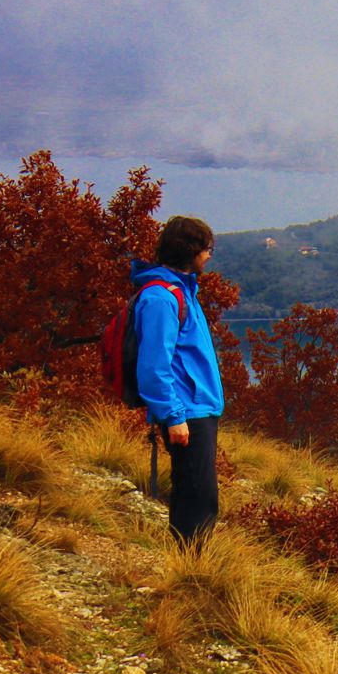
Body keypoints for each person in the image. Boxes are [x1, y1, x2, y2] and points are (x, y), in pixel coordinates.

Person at [133, 216, 224, 546]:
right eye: (207, 248)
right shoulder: (161, 298)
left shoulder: (183, 291)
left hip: (197, 409)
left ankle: (192, 564)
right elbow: (154, 367)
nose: (210, 255)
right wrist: (173, 417)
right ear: (191, 250)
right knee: (197, 495)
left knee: (199, 492)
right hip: (186, 413)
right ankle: (191, 569)